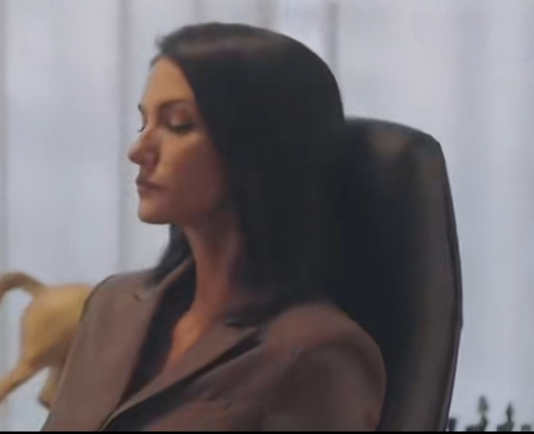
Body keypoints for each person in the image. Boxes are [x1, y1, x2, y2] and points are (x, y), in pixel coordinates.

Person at [43, 22, 386, 431]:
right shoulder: (112, 305)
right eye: (143, 123)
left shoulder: (316, 352)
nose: (138, 150)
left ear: (258, 149)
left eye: (179, 124)